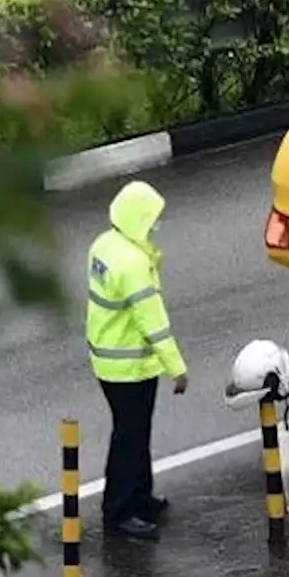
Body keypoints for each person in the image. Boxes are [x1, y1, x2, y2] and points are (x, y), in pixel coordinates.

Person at [85, 181, 189, 542]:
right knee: (129, 436)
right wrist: (176, 367)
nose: (156, 225)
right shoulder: (132, 264)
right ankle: (120, 510)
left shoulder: (105, 244)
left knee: (135, 430)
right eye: (152, 219)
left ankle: (140, 495)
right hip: (128, 366)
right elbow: (153, 322)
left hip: (109, 358)